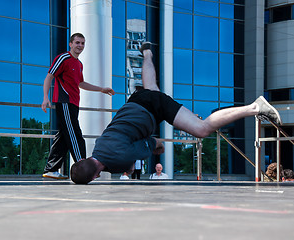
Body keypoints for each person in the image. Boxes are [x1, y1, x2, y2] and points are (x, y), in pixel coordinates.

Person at [70, 42, 282, 184]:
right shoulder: (98, 145)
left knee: (201, 129)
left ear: (96, 176)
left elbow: (155, 143)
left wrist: (158, 147)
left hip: (152, 108)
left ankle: (255, 107)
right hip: (134, 103)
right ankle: (147, 53)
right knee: (150, 85)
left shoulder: (118, 160)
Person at [41, 33, 115, 179]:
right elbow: (49, 76)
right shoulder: (63, 58)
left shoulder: (79, 64)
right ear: (70, 44)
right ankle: (85, 167)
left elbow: (81, 83)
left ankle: (51, 169)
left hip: (74, 104)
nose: (80, 46)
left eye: (82, 43)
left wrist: (101, 89)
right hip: (64, 102)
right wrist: (45, 97)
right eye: (77, 43)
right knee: (75, 134)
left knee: (63, 137)